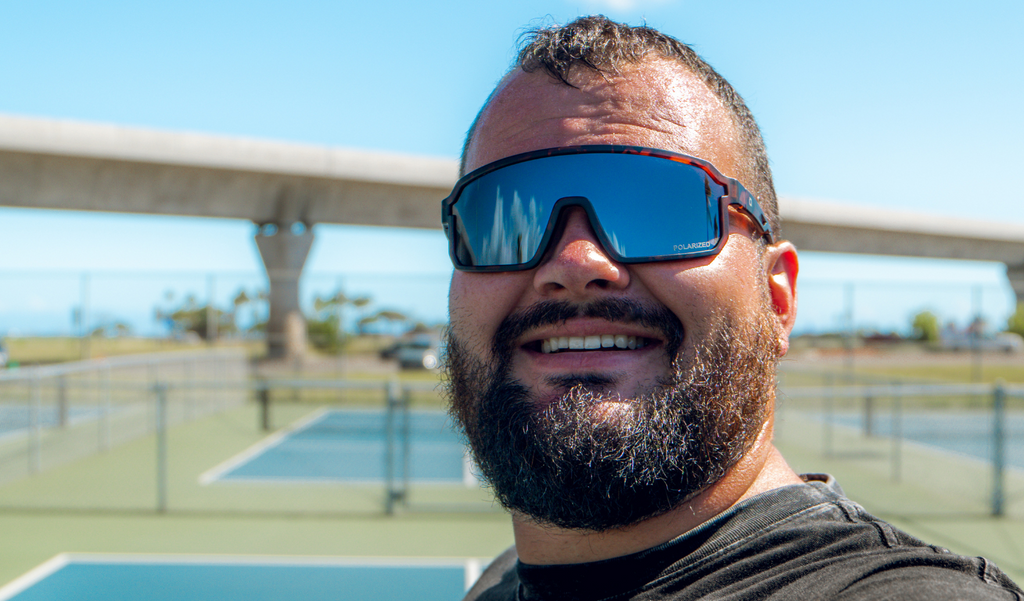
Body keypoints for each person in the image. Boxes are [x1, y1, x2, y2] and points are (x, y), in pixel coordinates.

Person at [440, 15, 1023, 601]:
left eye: (661, 209)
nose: (575, 261)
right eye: (504, 220)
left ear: (777, 298)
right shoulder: (496, 585)